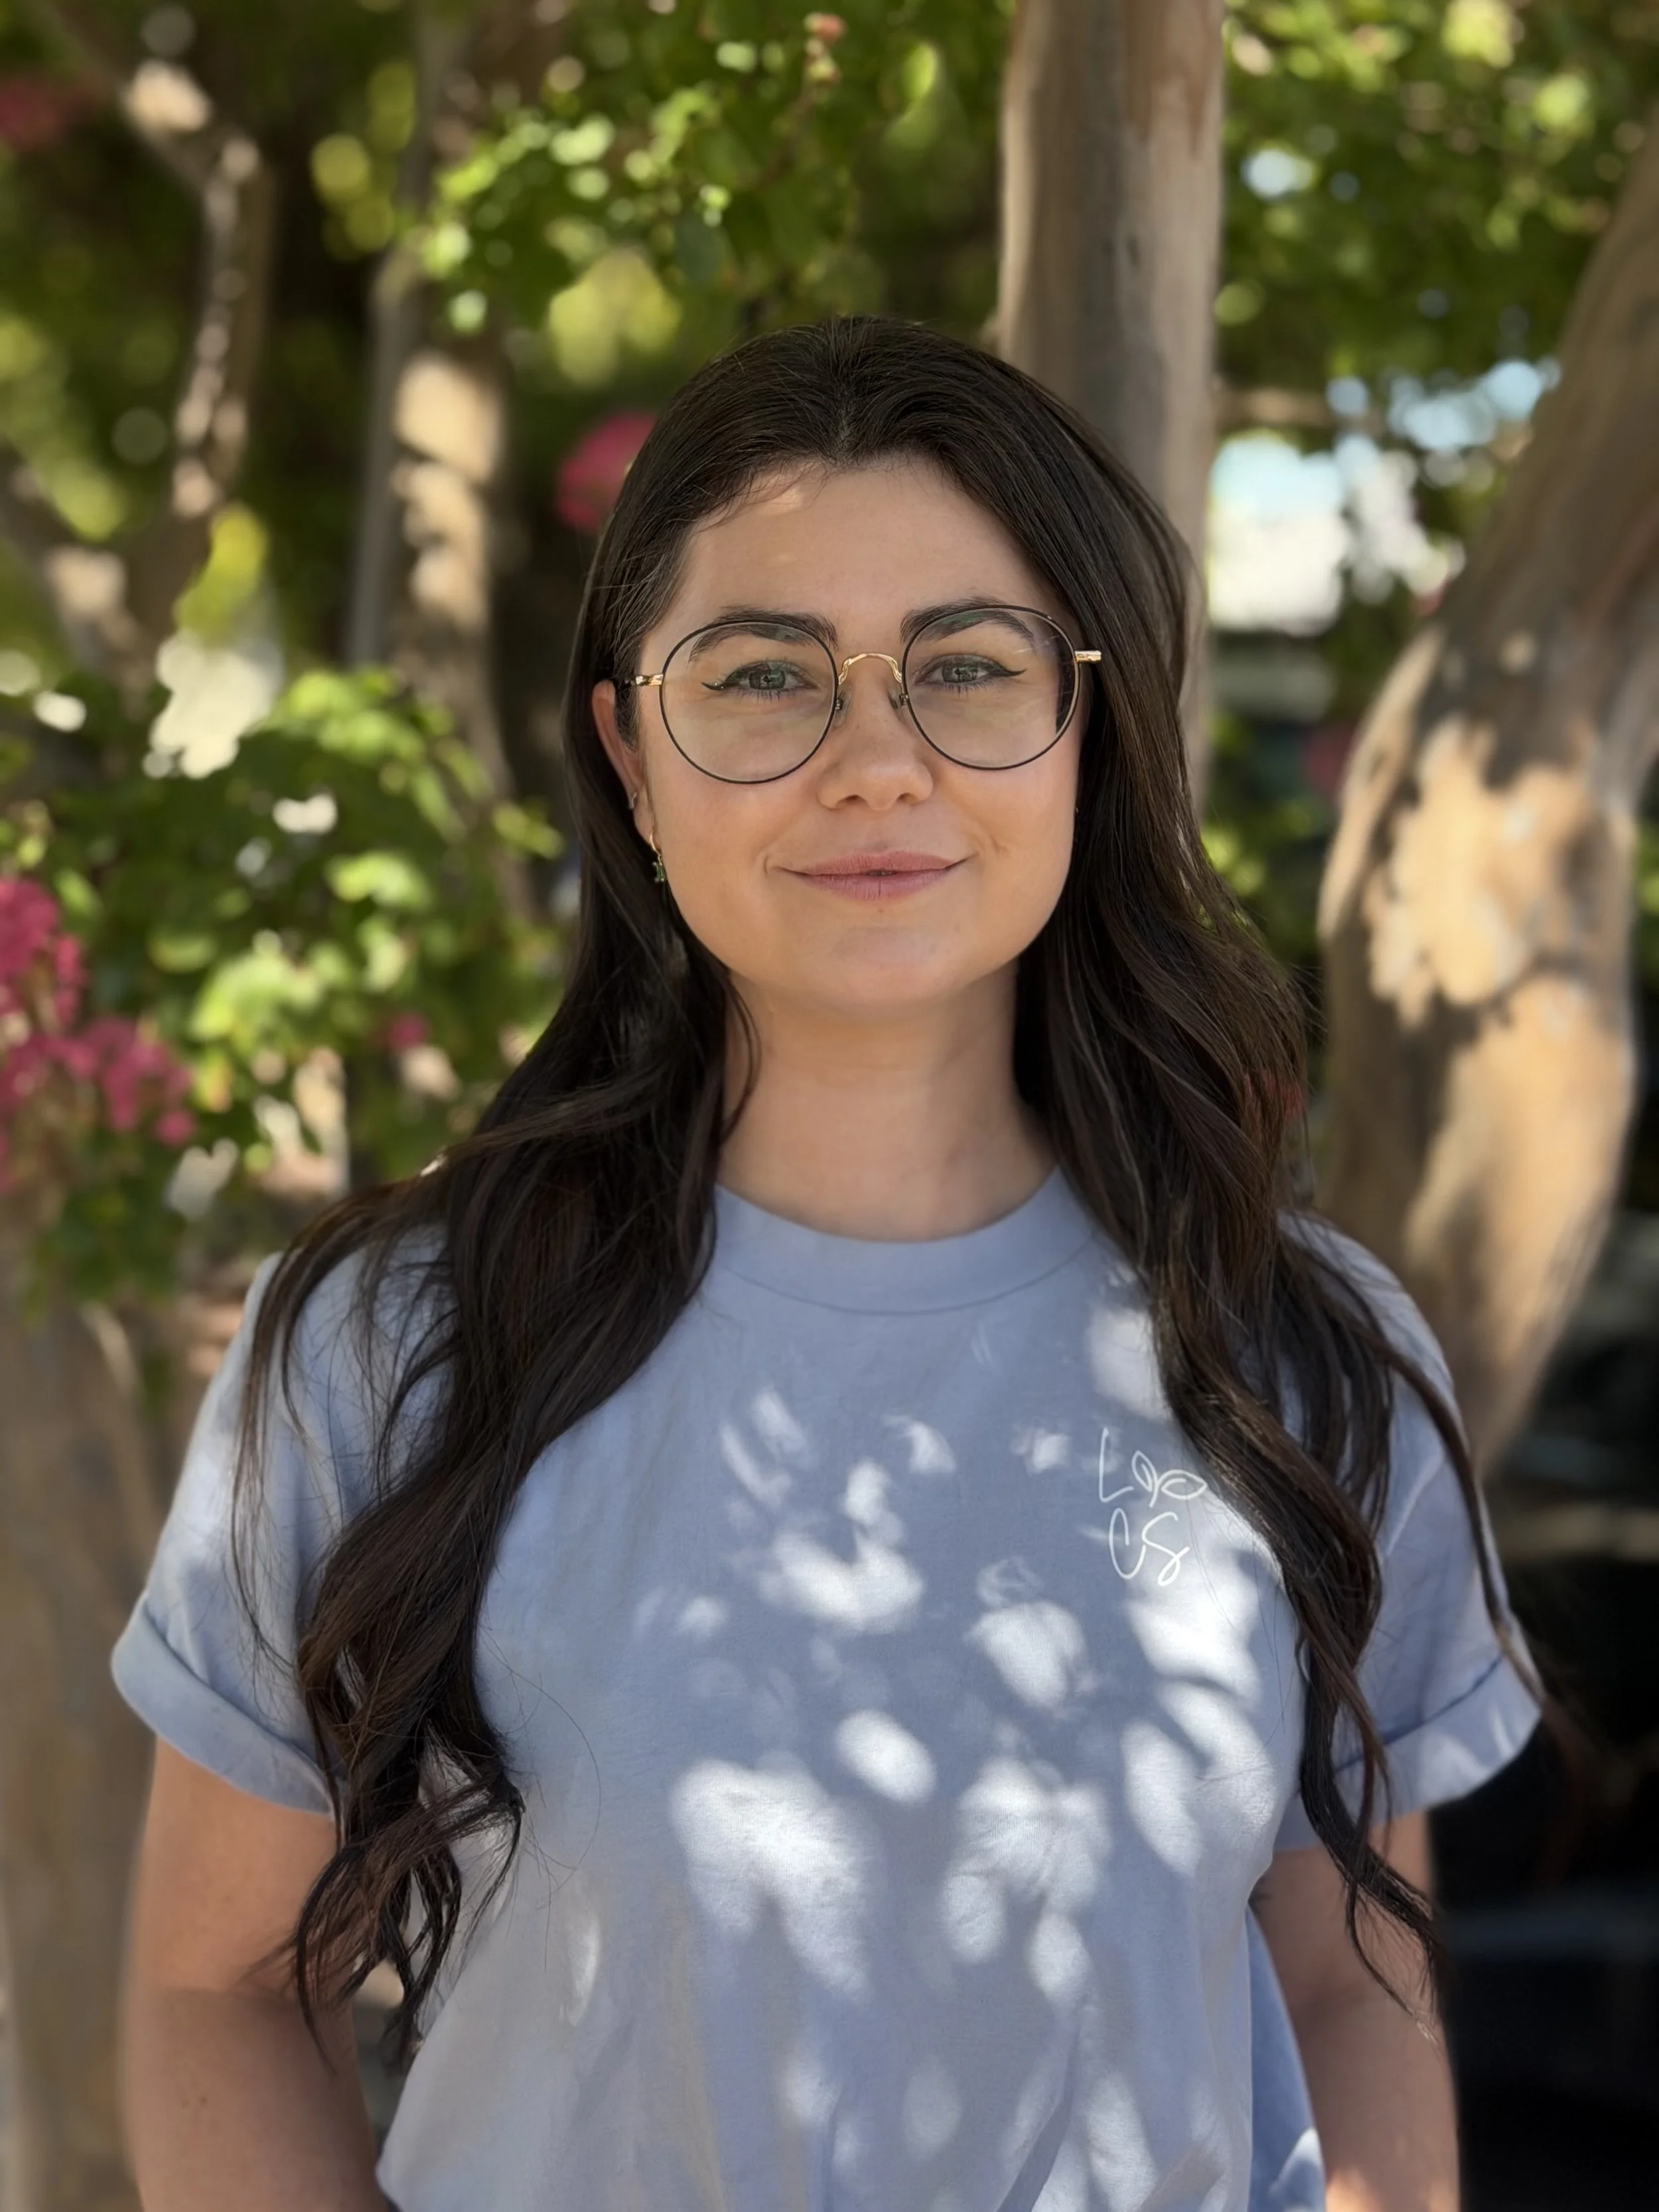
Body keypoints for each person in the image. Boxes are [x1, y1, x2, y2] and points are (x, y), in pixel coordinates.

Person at [112, 314, 1545, 2212]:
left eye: (964, 665)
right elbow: (212, 1990)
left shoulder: (1297, 1353)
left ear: (1088, 730)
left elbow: (1344, 1986)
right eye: (765, 674)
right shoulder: (389, 1352)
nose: (875, 762)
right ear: (631, 749)